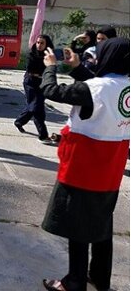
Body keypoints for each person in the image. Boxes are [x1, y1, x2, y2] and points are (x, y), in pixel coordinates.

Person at [39, 39, 129, 291]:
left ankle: (74, 281)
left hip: (84, 167)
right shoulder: (126, 86)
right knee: (101, 225)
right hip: (110, 169)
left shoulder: (95, 88)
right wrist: (77, 66)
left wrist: (50, 66)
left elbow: (51, 91)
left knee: (78, 227)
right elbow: (99, 89)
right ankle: (99, 277)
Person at [14, 35, 55, 144]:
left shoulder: (49, 56)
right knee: (37, 108)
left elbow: (51, 68)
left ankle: (19, 121)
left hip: (42, 84)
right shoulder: (31, 54)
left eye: (42, 43)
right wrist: (44, 74)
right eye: (38, 42)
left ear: (47, 45)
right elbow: (31, 70)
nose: (39, 45)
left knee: (33, 106)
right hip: (31, 83)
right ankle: (43, 135)